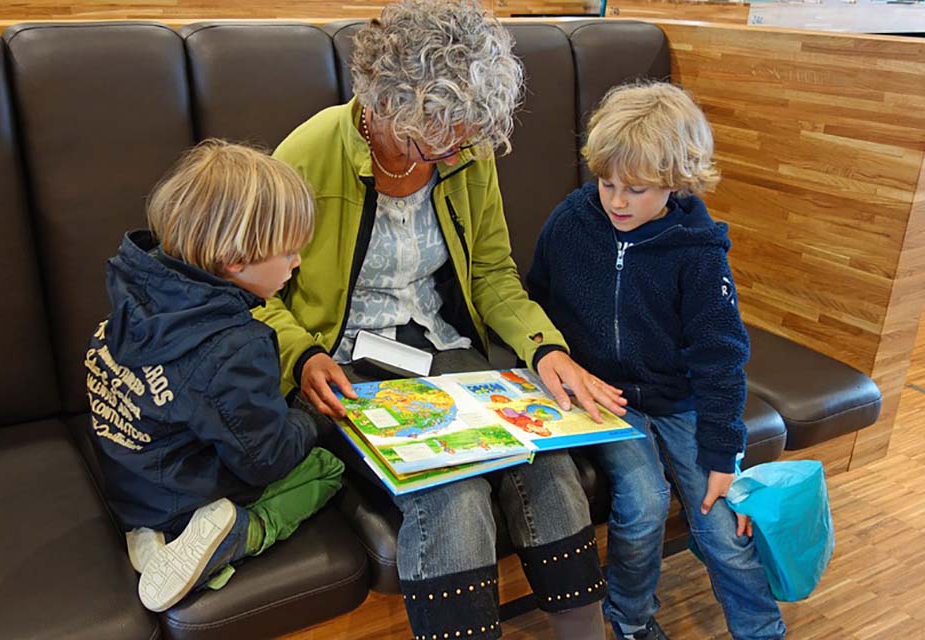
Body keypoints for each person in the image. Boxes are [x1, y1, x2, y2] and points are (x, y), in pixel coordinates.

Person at [254, 1, 627, 637]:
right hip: (342, 362)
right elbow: (253, 290)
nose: (452, 149)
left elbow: (493, 272)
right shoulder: (308, 155)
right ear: (385, 101)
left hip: (442, 348)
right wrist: (302, 355)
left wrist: (546, 349)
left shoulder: (465, 150)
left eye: (464, 134)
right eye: (433, 134)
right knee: (450, 485)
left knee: (544, 463)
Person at [527, 81, 787, 640]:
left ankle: (762, 630)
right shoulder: (572, 221)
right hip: (606, 399)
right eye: (607, 183)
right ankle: (631, 620)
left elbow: (721, 358)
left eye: (637, 189)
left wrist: (724, 454)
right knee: (644, 502)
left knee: (724, 525)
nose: (617, 202)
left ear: (676, 181)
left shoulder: (698, 250)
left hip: (681, 400)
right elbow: (534, 301)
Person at [84, 140, 344, 612]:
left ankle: (150, 534)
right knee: (327, 469)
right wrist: (313, 419)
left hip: (130, 485)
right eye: (289, 252)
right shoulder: (235, 349)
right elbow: (266, 460)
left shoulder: (137, 285)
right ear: (236, 259)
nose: (297, 263)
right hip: (183, 492)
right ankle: (237, 533)